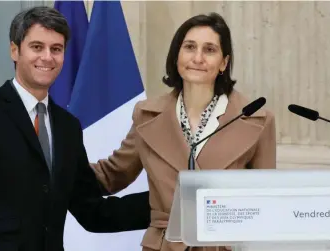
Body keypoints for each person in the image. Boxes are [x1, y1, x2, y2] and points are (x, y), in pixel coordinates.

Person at [0, 6, 151, 251]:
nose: (47, 57)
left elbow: (93, 212)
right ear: (15, 50)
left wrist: (168, 204)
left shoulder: (68, 127)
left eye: (56, 49)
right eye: (37, 47)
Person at [91, 13, 276, 251]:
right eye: (190, 47)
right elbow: (112, 174)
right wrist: (55, 162)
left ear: (223, 62)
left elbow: (265, 203)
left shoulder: (256, 120)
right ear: (177, 55)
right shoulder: (147, 116)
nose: (197, 58)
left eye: (209, 50)